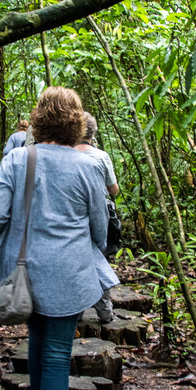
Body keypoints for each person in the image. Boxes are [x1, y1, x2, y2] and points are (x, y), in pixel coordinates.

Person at [0, 87, 119, 390]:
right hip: (68, 272)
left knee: (37, 336)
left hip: (24, 268)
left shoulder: (16, 160)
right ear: (76, 123)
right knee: (58, 352)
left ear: (39, 119)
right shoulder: (88, 166)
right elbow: (99, 228)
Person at [75, 112, 119, 323]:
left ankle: (79, 311)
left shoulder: (68, 153)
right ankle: (105, 312)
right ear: (93, 133)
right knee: (99, 260)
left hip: (74, 215)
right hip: (99, 214)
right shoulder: (101, 156)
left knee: (80, 263)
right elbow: (113, 189)